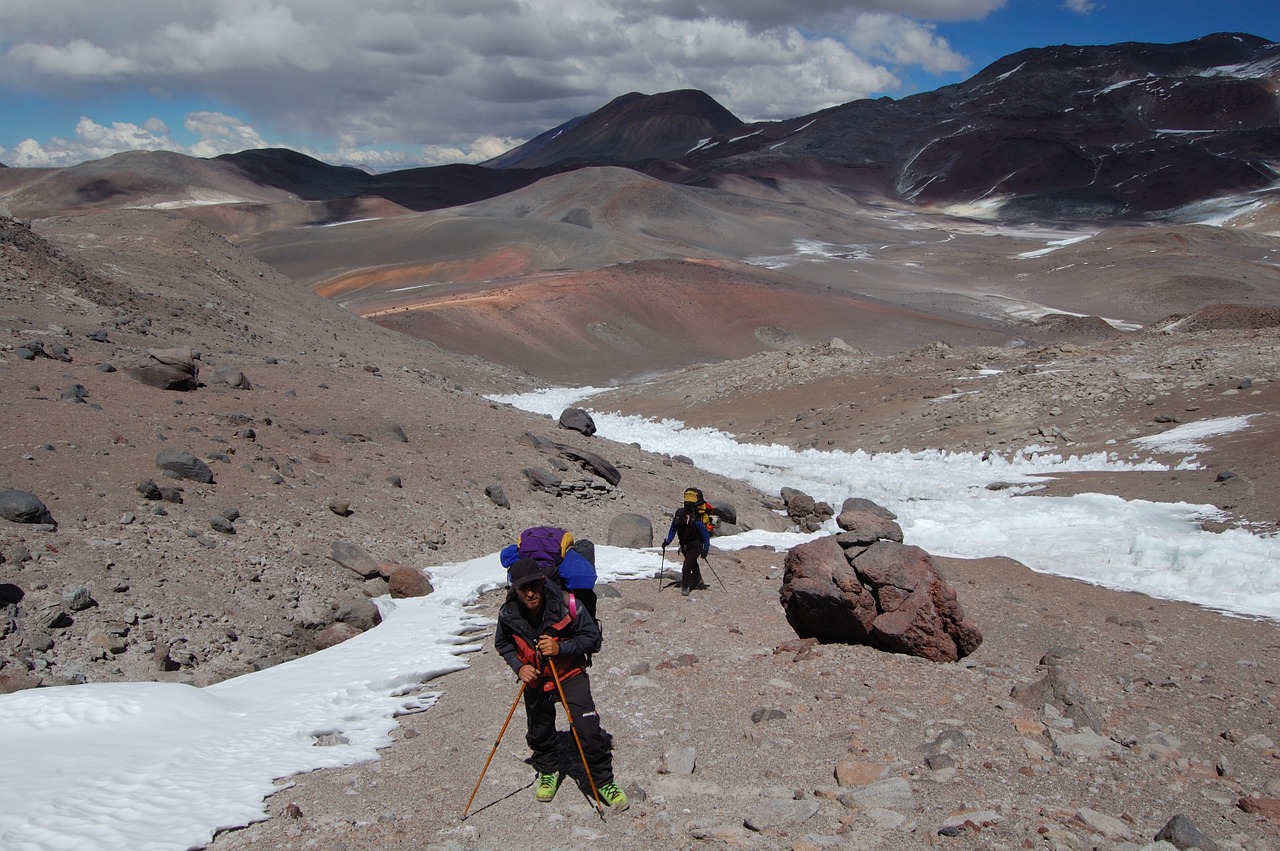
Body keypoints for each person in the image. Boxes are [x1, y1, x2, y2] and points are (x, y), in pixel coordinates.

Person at [494, 558, 629, 810]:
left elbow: (592, 639)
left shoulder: (568, 605)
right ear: (515, 589)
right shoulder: (508, 614)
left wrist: (561, 648)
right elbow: (502, 644)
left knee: (587, 728)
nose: (530, 592)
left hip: (569, 674)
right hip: (535, 676)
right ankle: (547, 770)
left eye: (534, 585)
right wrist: (519, 667)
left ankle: (603, 781)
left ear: (542, 581)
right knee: (540, 729)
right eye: (523, 588)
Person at [500, 526, 599, 620]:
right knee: (588, 597)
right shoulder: (571, 560)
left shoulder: (520, 557)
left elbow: (505, 559)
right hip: (559, 586)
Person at [663, 487, 712, 596]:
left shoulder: (697, 522)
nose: (678, 524)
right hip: (685, 545)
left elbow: (705, 535)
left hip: (696, 545)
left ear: (686, 517)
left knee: (686, 567)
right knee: (692, 563)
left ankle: (686, 585)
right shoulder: (678, 521)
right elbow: (672, 531)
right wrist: (667, 542)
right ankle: (698, 580)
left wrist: (705, 549)